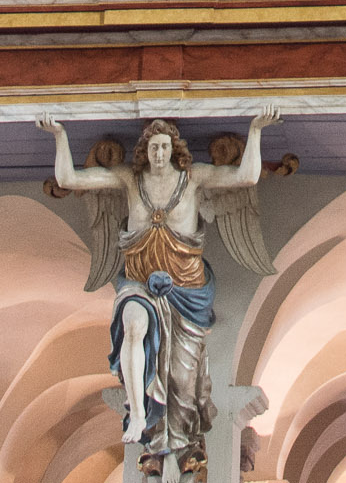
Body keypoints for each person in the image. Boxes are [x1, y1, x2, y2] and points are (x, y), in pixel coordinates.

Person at [37, 113, 281, 480]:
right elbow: (70, 179)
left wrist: (256, 130)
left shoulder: (193, 177)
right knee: (133, 326)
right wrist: (59, 136)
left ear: (175, 149)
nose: (159, 153)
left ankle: (175, 452)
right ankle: (137, 412)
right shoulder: (130, 179)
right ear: (144, 151)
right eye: (153, 147)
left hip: (187, 292)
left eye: (165, 146)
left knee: (182, 381)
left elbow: (245, 176)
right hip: (139, 284)